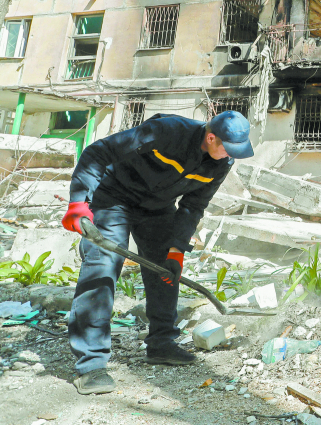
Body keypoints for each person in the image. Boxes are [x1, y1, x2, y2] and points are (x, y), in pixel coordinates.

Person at [60, 111, 254, 395]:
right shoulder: (166, 131)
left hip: (157, 208)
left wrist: (176, 251)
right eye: (227, 148)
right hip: (113, 198)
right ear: (211, 137)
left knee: (165, 271)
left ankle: (162, 344)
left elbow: (193, 206)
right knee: (103, 265)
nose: (229, 156)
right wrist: (79, 202)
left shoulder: (222, 162)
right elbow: (98, 151)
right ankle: (91, 364)